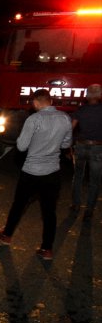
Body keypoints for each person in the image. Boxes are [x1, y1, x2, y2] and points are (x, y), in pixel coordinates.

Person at [0, 89, 72, 260]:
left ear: (37, 102)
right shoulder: (65, 118)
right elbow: (67, 143)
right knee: (49, 211)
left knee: (19, 204)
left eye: (33, 103)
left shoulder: (34, 119)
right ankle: (47, 249)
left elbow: (22, 146)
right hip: (52, 172)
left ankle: (7, 235)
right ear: (50, 101)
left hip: (31, 171)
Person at [70, 83, 102, 222]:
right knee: (94, 181)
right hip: (98, 148)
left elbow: (71, 127)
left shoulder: (81, 110)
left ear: (87, 96)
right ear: (100, 95)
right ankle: (89, 209)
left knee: (78, 176)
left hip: (81, 146)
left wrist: (68, 144)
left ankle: (76, 205)